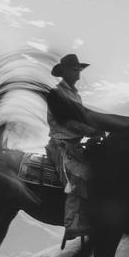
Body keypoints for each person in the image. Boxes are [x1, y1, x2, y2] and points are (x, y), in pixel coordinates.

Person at [45, 54, 107, 244]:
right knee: (78, 176)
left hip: (74, 144)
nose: (78, 72)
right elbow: (68, 122)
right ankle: (72, 224)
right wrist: (92, 131)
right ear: (64, 71)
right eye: (74, 69)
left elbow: (81, 118)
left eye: (79, 69)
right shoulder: (56, 94)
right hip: (61, 144)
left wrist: (97, 129)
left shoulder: (76, 95)